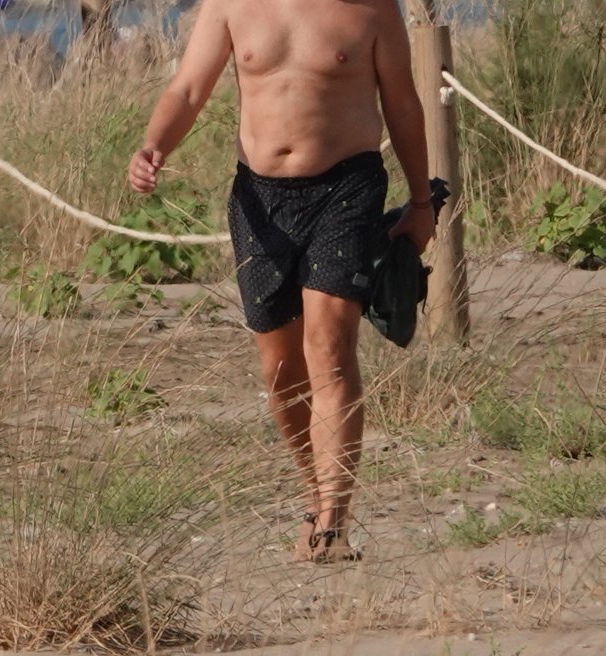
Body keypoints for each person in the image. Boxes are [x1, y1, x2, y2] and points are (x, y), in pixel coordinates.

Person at [128, 0, 436, 562]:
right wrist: (153, 146)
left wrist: (420, 201)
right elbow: (188, 89)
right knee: (279, 371)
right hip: (259, 200)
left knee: (331, 346)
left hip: (347, 188)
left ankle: (333, 523)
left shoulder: (372, 10)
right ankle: (314, 489)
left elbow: (402, 105)